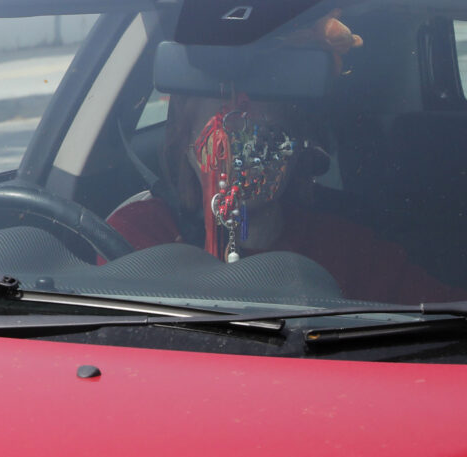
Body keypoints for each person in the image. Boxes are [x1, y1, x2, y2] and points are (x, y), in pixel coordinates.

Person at [108, 91, 452, 304]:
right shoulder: (139, 236)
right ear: (186, 149)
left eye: (268, 139)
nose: (244, 158)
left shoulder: (348, 249)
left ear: (295, 155)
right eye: (224, 139)